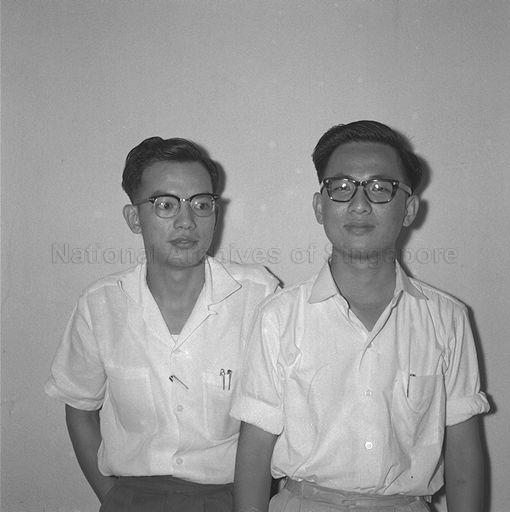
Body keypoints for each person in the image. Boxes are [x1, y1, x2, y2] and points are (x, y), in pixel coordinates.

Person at [231, 120, 490, 512]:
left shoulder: (447, 318)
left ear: (409, 209)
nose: (359, 204)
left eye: (380, 188)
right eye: (342, 186)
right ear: (320, 206)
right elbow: (253, 455)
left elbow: (464, 458)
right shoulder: (279, 317)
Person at [45, 137, 279, 512]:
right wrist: (112, 497)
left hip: (232, 498)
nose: (187, 221)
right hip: (133, 497)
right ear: (134, 218)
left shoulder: (258, 296)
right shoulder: (101, 305)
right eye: (166, 205)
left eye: (201, 204)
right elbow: (79, 406)